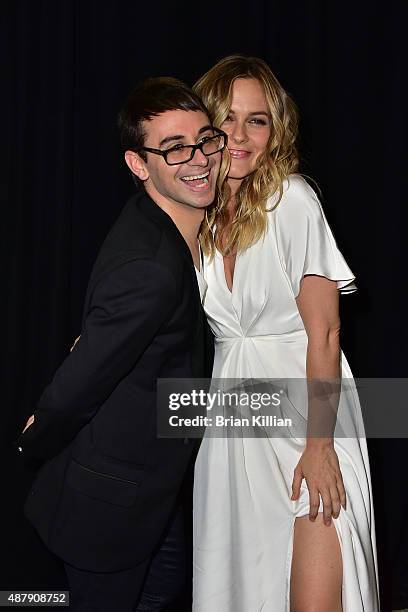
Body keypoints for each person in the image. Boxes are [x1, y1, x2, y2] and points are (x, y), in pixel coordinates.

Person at [16, 76, 226, 612]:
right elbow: (78, 383)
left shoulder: (155, 221)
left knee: (167, 582)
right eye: (174, 148)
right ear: (139, 165)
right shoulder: (152, 267)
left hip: (151, 491)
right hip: (109, 507)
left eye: (204, 139)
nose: (198, 158)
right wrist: (35, 440)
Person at [192, 55, 379, 611]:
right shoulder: (197, 216)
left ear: (276, 130)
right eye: (227, 118)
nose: (241, 135)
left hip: (308, 421)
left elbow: (325, 334)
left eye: (258, 120)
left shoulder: (291, 200)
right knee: (246, 591)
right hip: (234, 426)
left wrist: (320, 447)